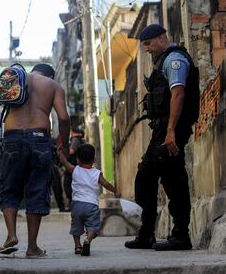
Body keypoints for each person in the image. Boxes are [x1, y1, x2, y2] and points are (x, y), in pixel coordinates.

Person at [0, 63, 70, 258]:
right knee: (36, 189)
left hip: (12, 139)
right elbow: (63, 118)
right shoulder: (52, 86)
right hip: (39, 139)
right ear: (50, 75)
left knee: (10, 187)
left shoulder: (14, 78)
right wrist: (65, 145)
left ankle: (11, 236)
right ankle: (32, 247)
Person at [124, 24, 200, 251]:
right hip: (163, 129)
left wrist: (170, 131)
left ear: (161, 38)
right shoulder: (163, 62)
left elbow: (178, 94)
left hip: (171, 129)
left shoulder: (174, 60)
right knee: (146, 176)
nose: (147, 49)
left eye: (148, 44)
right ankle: (147, 233)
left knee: (173, 179)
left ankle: (181, 236)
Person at [58, 143, 120, 256]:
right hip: (91, 205)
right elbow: (106, 184)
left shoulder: (75, 170)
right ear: (94, 159)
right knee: (94, 227)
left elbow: (64, 163)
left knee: (76, 227)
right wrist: (115, 191)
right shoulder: (97, 173)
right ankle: (88, 239)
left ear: (77, 159)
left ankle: (77, 246)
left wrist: (60, 153)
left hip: (77, 205)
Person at [63, 128, 85, 210]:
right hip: (76, 167)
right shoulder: (80, 140)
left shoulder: (75, 140)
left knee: (68, 186)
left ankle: (73, 205)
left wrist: (62, 151)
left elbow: (71, 151)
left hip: (72, 167)